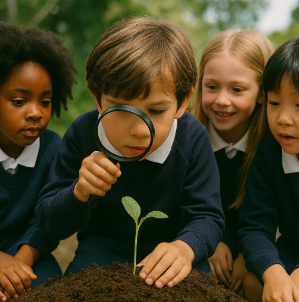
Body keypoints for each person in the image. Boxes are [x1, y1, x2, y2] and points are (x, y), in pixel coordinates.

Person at [36, 17, 225, 289]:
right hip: (100, 248)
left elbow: (207, 217)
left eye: (156, 111)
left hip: (170, 249)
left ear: (183, 102)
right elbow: (49, 224)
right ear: (97, 98)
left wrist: (186, 247)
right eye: (120, 108)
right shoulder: (82, 133)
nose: (138, 129)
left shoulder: (192, 138)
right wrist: (78, 193)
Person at [191, 29, 274, 292]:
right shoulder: (188, 139)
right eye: (212, 86)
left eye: (237, 89)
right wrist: (211, 243)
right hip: (197, 239)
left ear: (263, 93)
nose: (222, 100)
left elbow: (263, 214)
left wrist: (246, 255)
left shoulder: (272, 146)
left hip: (252, 245)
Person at [0, 22, 76, 302]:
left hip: (28, 254)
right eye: (19, 101)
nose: (35, 113)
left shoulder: (54, 149)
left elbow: (45, 222)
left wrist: (20, 264)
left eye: (45, 102)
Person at [238, 36, 299, 302]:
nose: (284, 119)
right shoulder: (268, 154)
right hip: (290, 249)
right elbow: (255, 226)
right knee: (254, 283)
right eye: (274, 104)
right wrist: (272, 270)